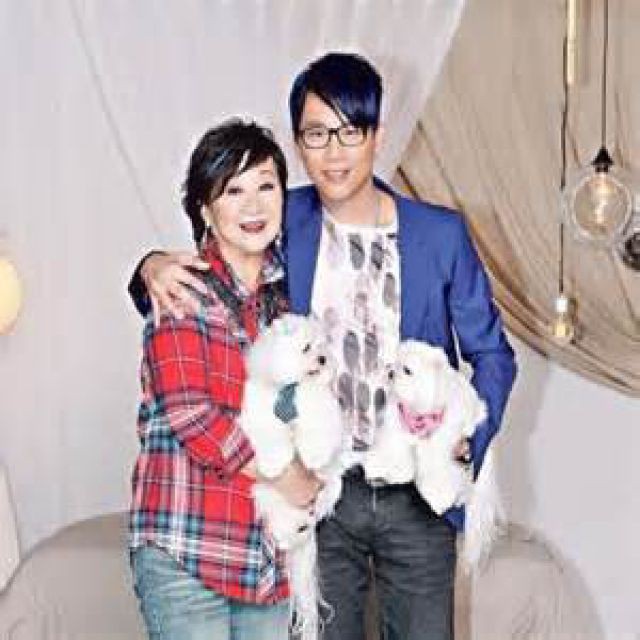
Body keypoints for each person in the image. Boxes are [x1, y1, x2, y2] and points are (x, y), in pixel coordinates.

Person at [129, 53, 517, 640]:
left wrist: (466, 441)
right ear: (298, 142)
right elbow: (210, 264)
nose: (334, 152)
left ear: (377, 135)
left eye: (349, 131)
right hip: (322, 490)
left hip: (414, 489)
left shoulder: (439, 233)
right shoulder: (283, 217)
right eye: (316, 134)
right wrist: (150, 267)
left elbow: (492, 354)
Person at [128, 119, 324, 640]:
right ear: (205, 210)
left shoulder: (290, 299)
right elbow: (193, 416)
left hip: (265, 559)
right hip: (187, 546)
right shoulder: (181, 289)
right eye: (233, 191)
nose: (253, 205)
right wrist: (287, 475)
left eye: (266, 186)